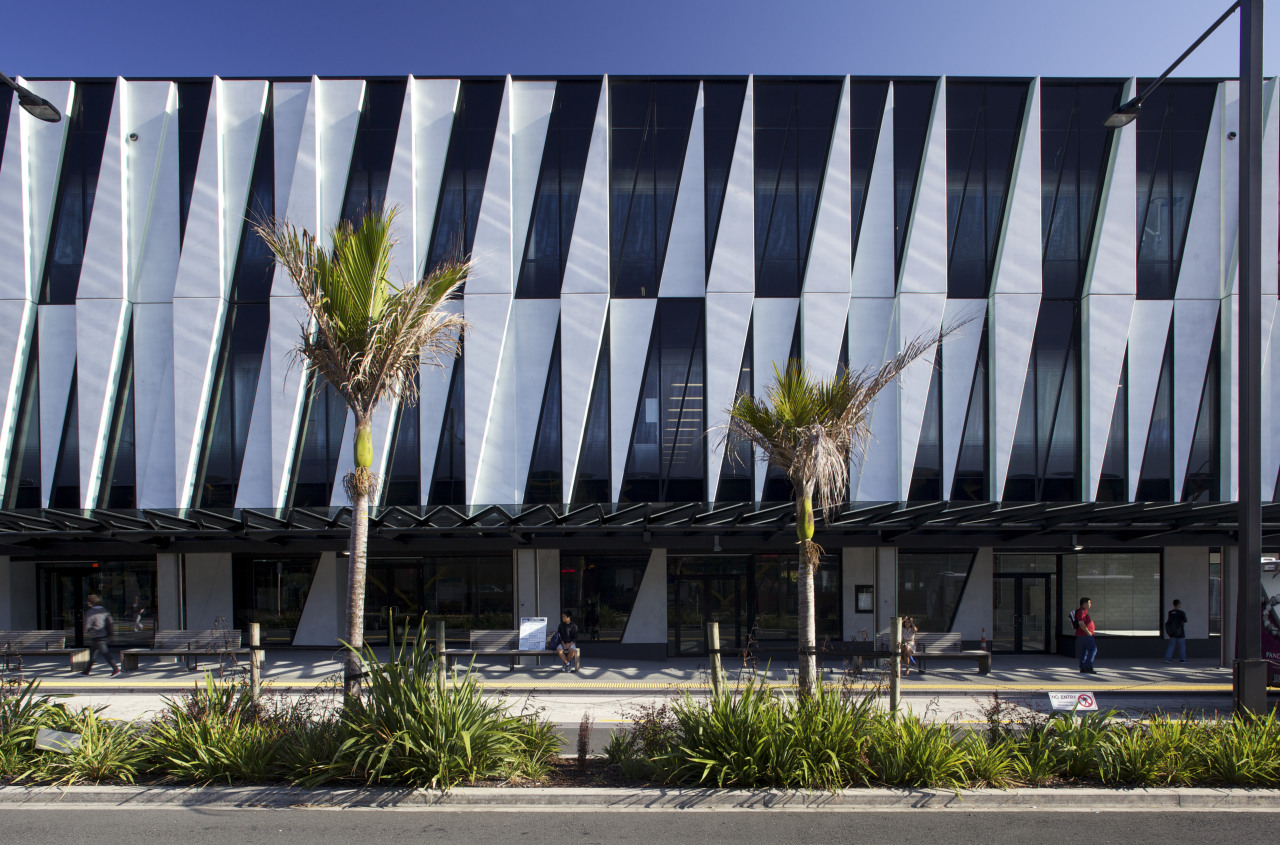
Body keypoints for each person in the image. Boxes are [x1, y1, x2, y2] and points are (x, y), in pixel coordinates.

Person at [82, 594, 122, 678]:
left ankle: (116, 669)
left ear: (90, 603)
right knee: (93, 654)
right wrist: (111, 634)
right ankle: (86, 672)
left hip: (97, 635)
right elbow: (110, 623)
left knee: (105, 653)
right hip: (104, 634)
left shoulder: (91, 612)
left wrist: (86, 630)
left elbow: (87, 624)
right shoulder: (105, 611)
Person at [1070, 597, 1097, 674]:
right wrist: (1087, 631)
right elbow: (1081, 623)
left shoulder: (1083, 611)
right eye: (1089, 603)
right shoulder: (1082, 612)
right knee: (1093, 649)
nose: (1090, 605)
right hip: (1085, 635)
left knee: (1084, 651)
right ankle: (1088, 666)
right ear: (1084, 604)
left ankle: (1083, 667)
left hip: (1082, 635)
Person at [1164, 599, 1188, 664]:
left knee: (1171, 645)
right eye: (1180, 603)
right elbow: (1185, 620)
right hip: (1180, 632)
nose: (1181, 604)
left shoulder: (1170, 612)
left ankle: (1167, 658)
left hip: (1172, 632)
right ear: (1178, 604)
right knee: (1182, 646)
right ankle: (1182, 659)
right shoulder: (1181, 613)